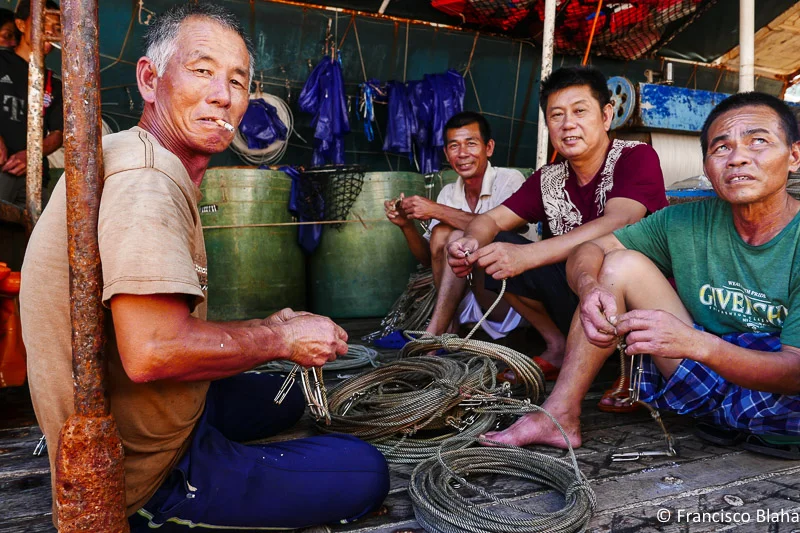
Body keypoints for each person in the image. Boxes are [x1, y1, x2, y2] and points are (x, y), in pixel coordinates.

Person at [20, 4, 388, 532]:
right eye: (202, 70)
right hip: (143, 472)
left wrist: (271, 328)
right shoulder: (148, 180)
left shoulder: (136, 151)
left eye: (237, 80)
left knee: (282, 400)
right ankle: (172, 499)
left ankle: (211, 424)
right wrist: (281, 340)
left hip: (156, 415)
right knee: (364, 469)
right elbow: (152, 351)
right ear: (150, 79)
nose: (224, 95)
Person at [483, 91, 800, 459]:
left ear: (794, 156)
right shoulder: (684, 221)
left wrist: (697, 344)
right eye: (721, 148)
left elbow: (794, 372)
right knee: (617, 265)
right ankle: (560, 414)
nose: (739, 157)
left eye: (758, 141)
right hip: (706, 379)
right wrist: (588, 289)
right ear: (708, 164)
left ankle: (738, 420)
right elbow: (592, 249)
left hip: (784, 394)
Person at [447, 66, 667, 394]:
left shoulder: (636, 157)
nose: (568, 124)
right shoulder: (548, 178)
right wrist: (469, 242)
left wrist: (529, 254)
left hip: (633, 300)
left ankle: (635, 365)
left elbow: (620, 221)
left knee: (614, 263)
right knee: (497, 246)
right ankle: (558, 345)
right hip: (576, 296)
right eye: (556, 115)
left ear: (606, 115)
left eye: (580, 111)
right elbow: (490, 220)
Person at [384, 111, 536, 340]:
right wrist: (406, 225)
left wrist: (437, 210)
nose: (463, 153)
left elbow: (503, 230)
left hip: (511, 303)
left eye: (471, 143)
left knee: (454, 235)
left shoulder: (509, 180)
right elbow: (430, 259)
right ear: (446, 153)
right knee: (442, 233)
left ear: (489, 148)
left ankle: (436, 331)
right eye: (454, 146)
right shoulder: (448, 193)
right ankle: (447, 323)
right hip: (466, 303)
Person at [0, 0, 62, 206]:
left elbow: (58, 133)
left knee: (35, 236)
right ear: (21, 25)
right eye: (43, 24)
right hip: (2, 168)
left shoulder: (54, 82)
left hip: (35, 177)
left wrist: (32, 155)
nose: (50, 32)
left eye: (57, 28)